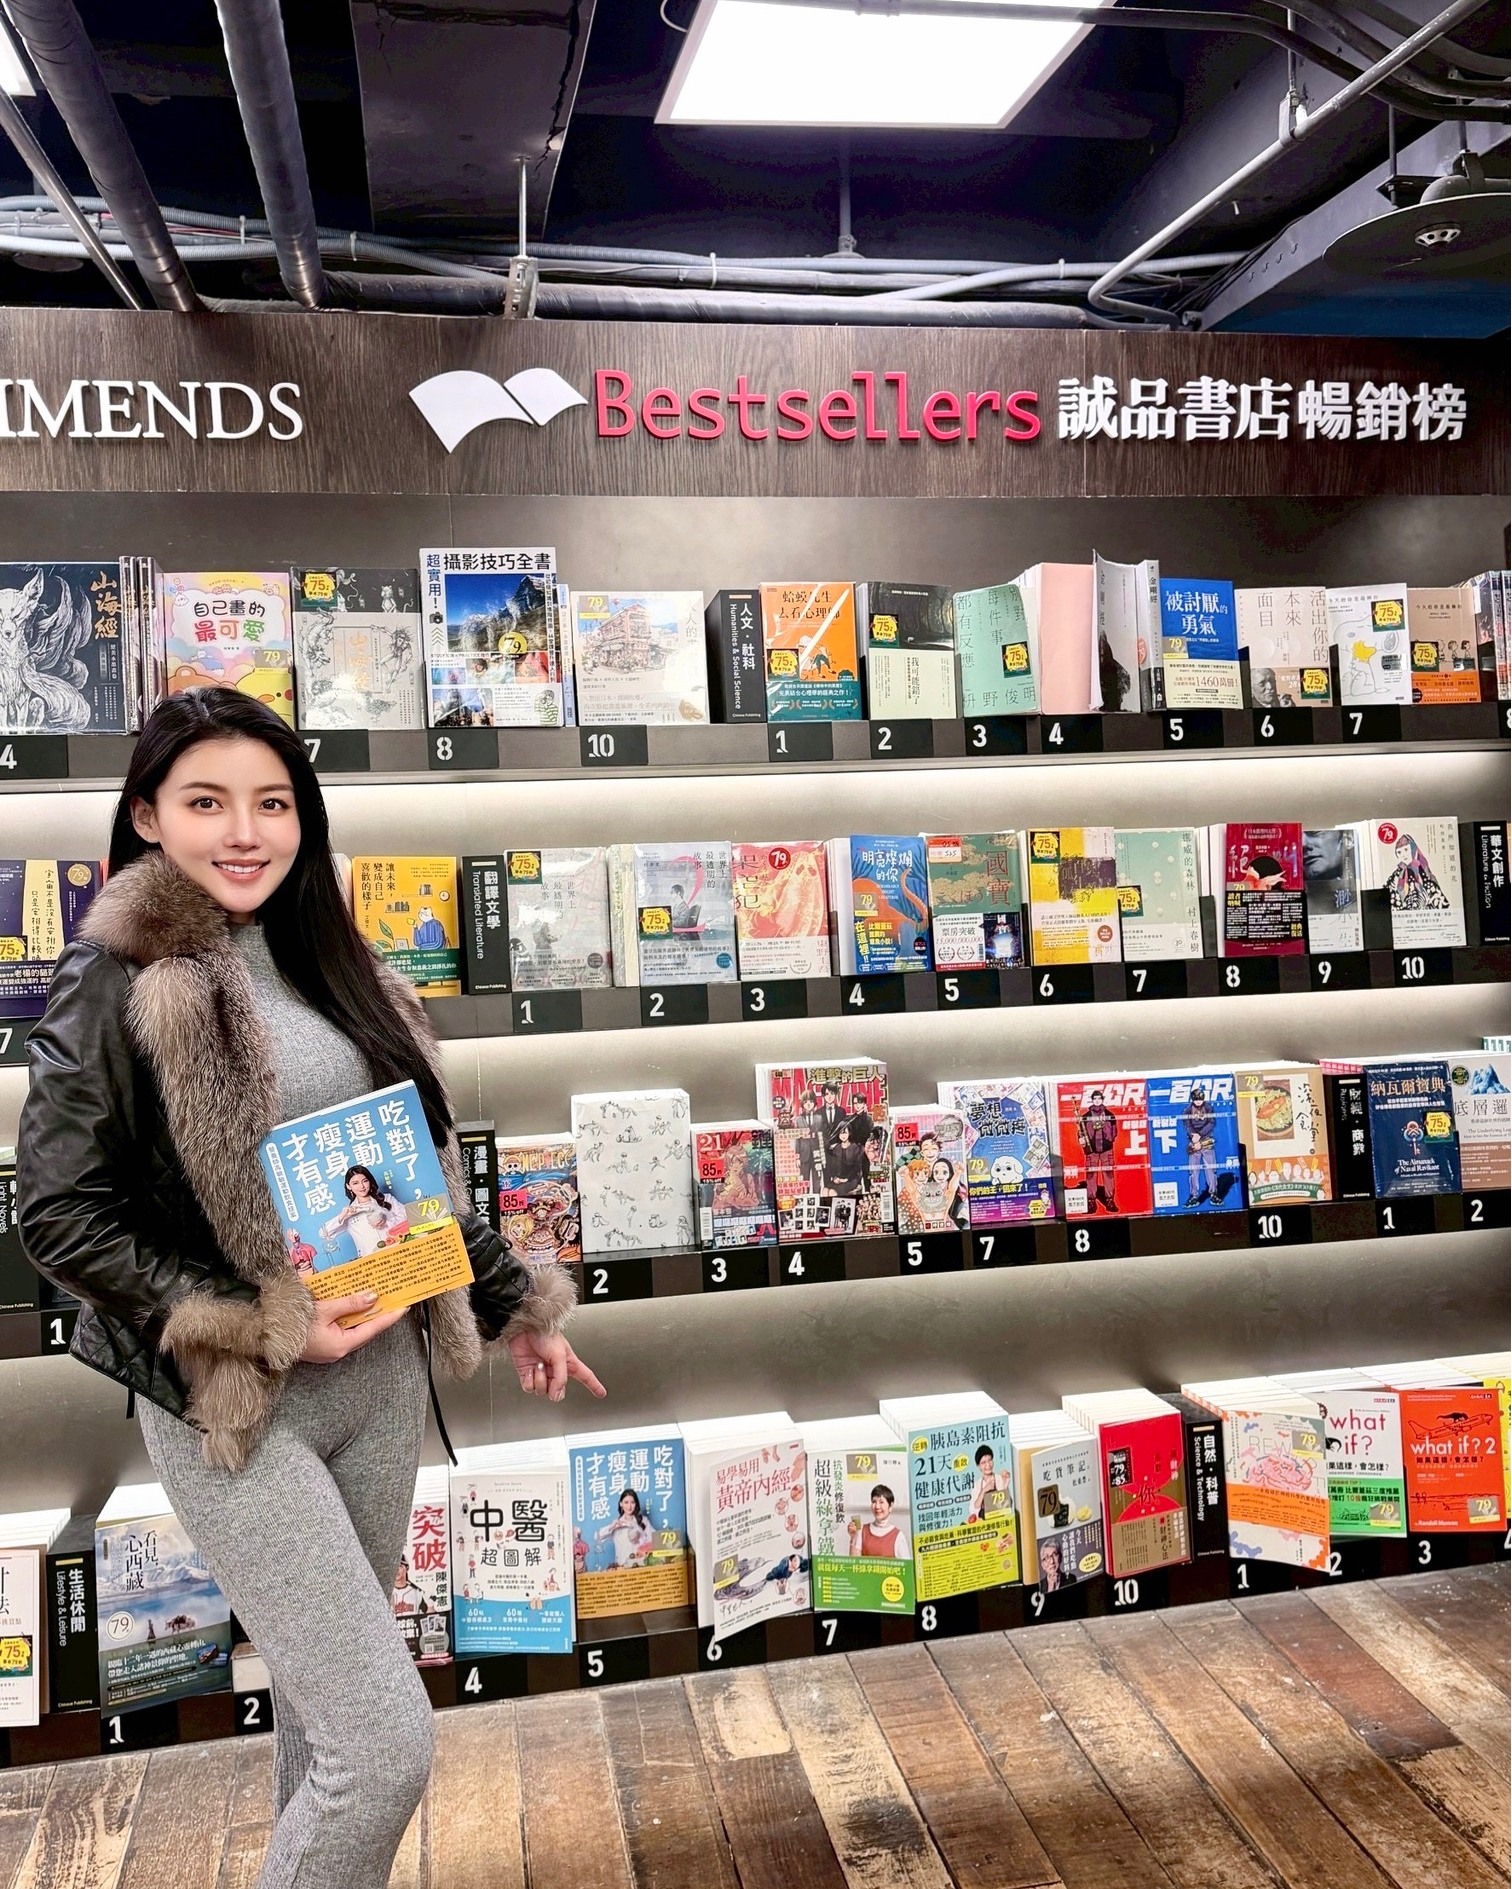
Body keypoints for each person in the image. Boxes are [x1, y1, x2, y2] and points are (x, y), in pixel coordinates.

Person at [15, 688, 605, 1889]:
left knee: (325, 1724)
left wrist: (514, 1303)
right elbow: (58, 1213)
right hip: (241, 1404)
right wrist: (264, 1321)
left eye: (273, 803)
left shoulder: (334, 957)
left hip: (382, 1387)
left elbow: (407, 1177)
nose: (245, 832)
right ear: (146, 816)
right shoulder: (116, 973)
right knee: (383, 1747)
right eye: (207, 802)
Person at [320, 1165, 409, 1258]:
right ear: (348, 1186)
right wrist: (342, 1216)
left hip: (397, 1252)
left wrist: (387, 1223)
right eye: (355, 1183)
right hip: (370, 1260)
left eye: (365, 1181)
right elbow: (323, 1233)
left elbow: (407, 1215)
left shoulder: (386, 1199)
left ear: (370, 1181)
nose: (362, 1186)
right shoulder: (349, 1212)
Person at [847, 1485, 910, 1561]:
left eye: (881, 1502)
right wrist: (853, 1538)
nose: (877, 1506)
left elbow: (907, 1566)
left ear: (890, 1506)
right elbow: (854, 1563)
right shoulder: (862, 1530)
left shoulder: (898, 1536)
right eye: (874, 1502)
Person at [597, 1489, 655, 1567]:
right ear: (621, 1504)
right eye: (626, 1502)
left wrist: (640, 1532)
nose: (629, 1506)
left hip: (640, 1565)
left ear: (636, 1504)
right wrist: (611, 1527)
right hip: (622, 1567)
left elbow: (654, 1540)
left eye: (632, 1502)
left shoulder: (643, 1521)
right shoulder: (617, 1524)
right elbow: (598, 1536)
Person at [967, 1444, 1010, 1523]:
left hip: (999, 1520)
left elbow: (1005, 1505)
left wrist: (1006, 1484)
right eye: (983, 1462)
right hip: (984, 1522)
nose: (988, 1465)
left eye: (990, 1460)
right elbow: (975, 1506)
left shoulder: (999, 1478)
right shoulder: (977, 1484)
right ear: (979, 1466)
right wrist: (984, 1490)